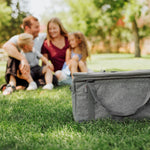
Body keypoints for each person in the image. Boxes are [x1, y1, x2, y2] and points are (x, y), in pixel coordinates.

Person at [2, 16, 57, 95]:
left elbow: (54, 33)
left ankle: (25, 85)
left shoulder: (40, 37)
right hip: (24, 71)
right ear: (27, 28)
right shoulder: (20, 39)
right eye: (36, 27)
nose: (39, 29)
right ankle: (12, 84)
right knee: (12, 56)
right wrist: (22, 59)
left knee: (54, 79)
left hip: (35, 70)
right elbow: (6, 46)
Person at [41, 17, 71, 85]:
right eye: (50, 29)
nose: (52, 31)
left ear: (60, 28)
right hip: (61, 74)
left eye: (54, 28)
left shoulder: (68, 39)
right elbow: (44, 63)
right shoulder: (46, 44)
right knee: (58, 74)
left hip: (73, 70)